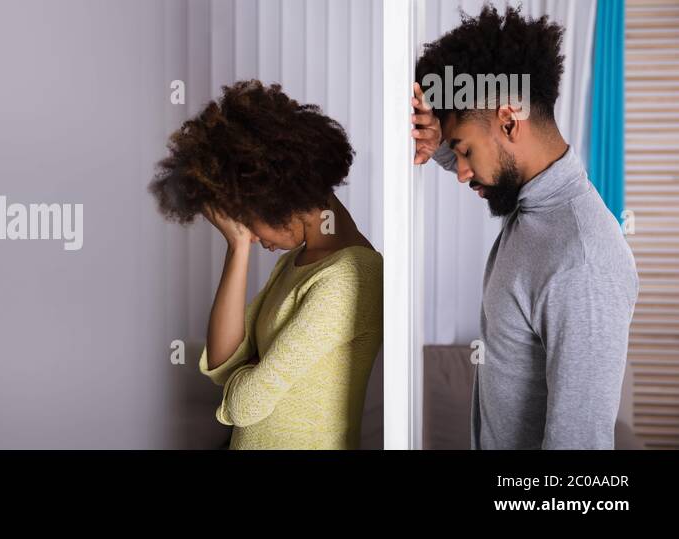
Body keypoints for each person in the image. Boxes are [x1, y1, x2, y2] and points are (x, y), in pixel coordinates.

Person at [411, 4, 638, 449]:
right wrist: (443, 139)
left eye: (464, 152)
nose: (459, 171)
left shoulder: (582, 261)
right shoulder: (534, 206)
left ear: (510, 120)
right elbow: (483, 157)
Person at [149, 79, 382, 449]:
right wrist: (237, 246)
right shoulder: (297, 262)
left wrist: (250, 376)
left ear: (274, 198)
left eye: (244, 219)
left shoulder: (352, 275)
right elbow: (225, 366)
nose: (251, 234)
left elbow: (245, 405)